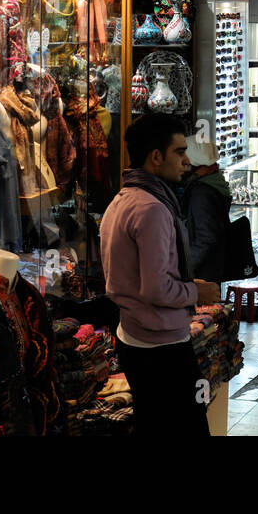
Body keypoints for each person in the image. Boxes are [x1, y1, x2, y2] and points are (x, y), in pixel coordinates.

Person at [100, 114, 220, 437]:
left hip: (136, 338)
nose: (186, 161)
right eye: (179, 152)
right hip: (161, 348)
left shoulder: (123, 200)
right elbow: (156, 288)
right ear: (156, 157)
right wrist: (198, 292)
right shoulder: (151, 209)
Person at [177, 138, 232, 283]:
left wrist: (184, 268)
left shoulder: (201, 193)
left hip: (203, 274)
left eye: (185, 163)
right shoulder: (214, 184)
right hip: (211, 268)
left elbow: (206, 237)